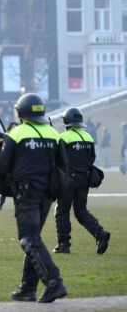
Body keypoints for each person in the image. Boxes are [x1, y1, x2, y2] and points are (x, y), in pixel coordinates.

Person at [0, 93, 68, 303]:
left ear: (20, 112)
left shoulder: (16, 133)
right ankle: (27, 289)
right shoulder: (54, 133)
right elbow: (63, 166)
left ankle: (54, 281)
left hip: (26, 194)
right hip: (47, 195)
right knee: (34, 238)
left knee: (28, 239)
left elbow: (1, 167)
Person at [53, 108, 110, 255]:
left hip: (68, 180)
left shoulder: (63, 137)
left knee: (61, 212)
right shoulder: (88, 137)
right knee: (81, 211)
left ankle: (64, 245)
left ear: (66, 121)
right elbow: (91, 159)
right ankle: (100, 234)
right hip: (85, 179)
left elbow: (57, 159)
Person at [0, 121, 19, 211]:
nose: (14, 128)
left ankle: (16, 206)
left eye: (16, 127)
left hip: (17, 165)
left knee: (16, 187)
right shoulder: (6, 137)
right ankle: (1, 203)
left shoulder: (20, 137)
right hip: (8, 165)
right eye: (12, 127)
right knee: (5, 186)